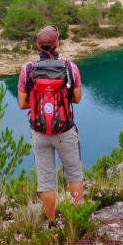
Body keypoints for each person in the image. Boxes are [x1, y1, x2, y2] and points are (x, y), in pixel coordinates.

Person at [17, 25, 84, 225]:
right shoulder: (69, 68)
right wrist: (60, 98)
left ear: (38, 45)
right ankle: (77, 219)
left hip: (39, 133)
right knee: (74, 174)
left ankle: (52, 223)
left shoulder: (28, 69)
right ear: (57, 44)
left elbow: (22, 103)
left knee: (46, 182)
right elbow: (77, 99)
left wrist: (39, 102)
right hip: (65, 130)